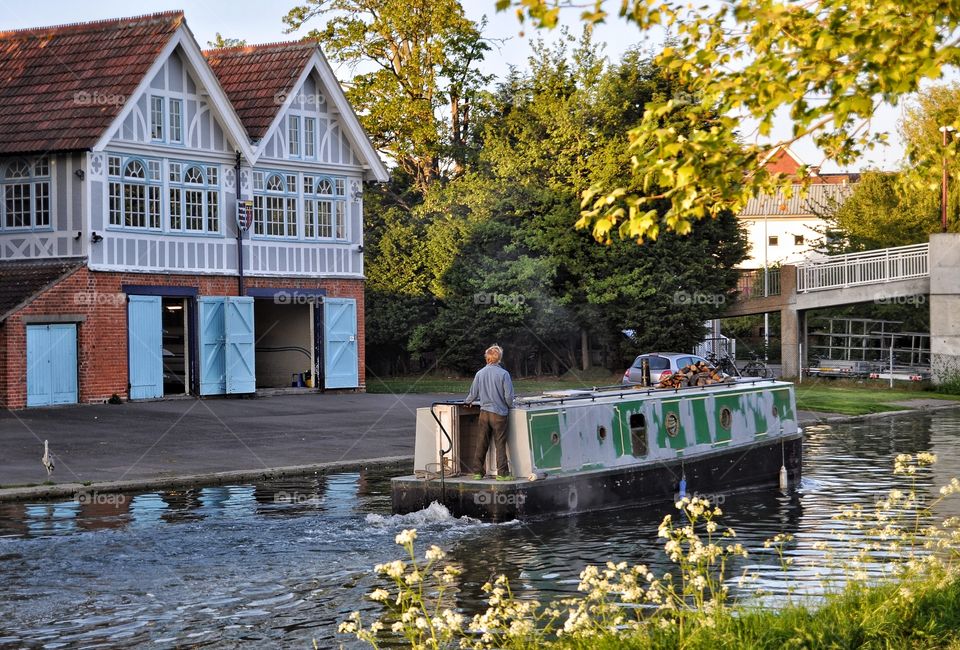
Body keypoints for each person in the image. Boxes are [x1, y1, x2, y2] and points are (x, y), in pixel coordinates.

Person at [464, 344, 515, 480]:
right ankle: (502, 474)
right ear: (499, 358)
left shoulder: (479, 373)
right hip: (499, 414)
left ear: (487, 358)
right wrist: (511, 405)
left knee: (481, 442)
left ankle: (477, 472)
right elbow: (509, 397)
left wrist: (467, 401)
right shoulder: (504, 374)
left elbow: (473, 393)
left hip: (484, 413)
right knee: (500, 444)